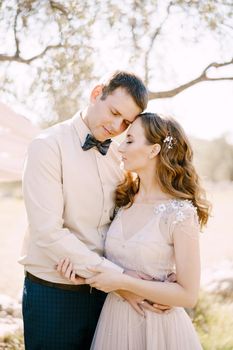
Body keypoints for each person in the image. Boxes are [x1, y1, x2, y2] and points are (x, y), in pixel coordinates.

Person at [19, 71, 150, 350]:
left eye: (126, 122)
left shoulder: (119, 156)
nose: (117, 126)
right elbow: (48, 233)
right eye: (114, 112)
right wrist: (117, 277)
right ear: (96, 94)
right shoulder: (47, 146)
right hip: (56, 292)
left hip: (109, 296)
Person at [58, 112, 211, 350]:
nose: (120, 148)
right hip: (114, 323)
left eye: (129, 140)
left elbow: (188, 295)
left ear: (153, 151)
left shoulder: (180, 213)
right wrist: (85, 272)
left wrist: (124, 281)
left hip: (159, 329)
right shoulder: (123, 199)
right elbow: (104, 259)